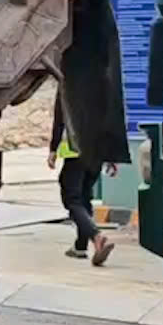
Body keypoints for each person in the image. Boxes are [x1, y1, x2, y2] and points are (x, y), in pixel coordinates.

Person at [48, 96, 117, 265]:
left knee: (72, 199)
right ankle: (80, 247)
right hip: (98, 150)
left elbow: (60, 118)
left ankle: (97, 236)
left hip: (76, 149)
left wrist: (53, 148)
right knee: (84, 198)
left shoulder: (68, 78)